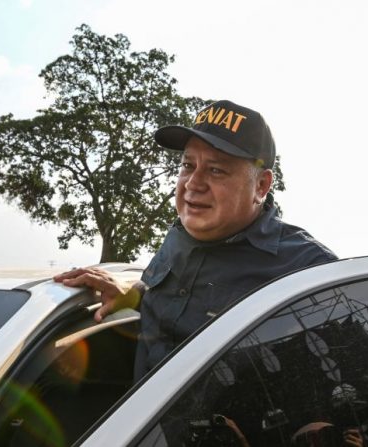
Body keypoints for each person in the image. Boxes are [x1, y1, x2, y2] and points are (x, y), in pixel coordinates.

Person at [55, 100, 336, 378]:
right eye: (188, 165)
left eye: (216, 170)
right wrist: (132, 295)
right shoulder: (180, 235)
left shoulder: (309, 271)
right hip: (135, 421)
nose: (193, 184)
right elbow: (173, 300)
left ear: (261, 185)